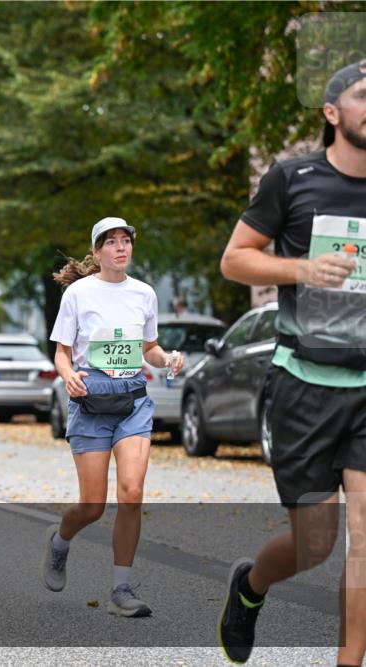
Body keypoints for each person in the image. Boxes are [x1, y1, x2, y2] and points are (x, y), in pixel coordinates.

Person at [217, 61, 366, 666]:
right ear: (332, 113)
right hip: (304, 386)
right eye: (364, 95)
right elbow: (235, 260)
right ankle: (250, 588)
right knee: (314, 545)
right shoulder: (292, 178)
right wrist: (301, 268)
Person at [42, 217, 184, 619]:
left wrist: (168, 359)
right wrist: (68, 376)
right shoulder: (78, 294)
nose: (121, 248)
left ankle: (121, 588)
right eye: (112, 242)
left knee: (132, 492)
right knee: (92, 505)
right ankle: (59, 541)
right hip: (90, 402)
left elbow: (150, 349)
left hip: (132, 401)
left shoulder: (144, 294)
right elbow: (62, 352)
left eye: (126, 241)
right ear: (97, 251)